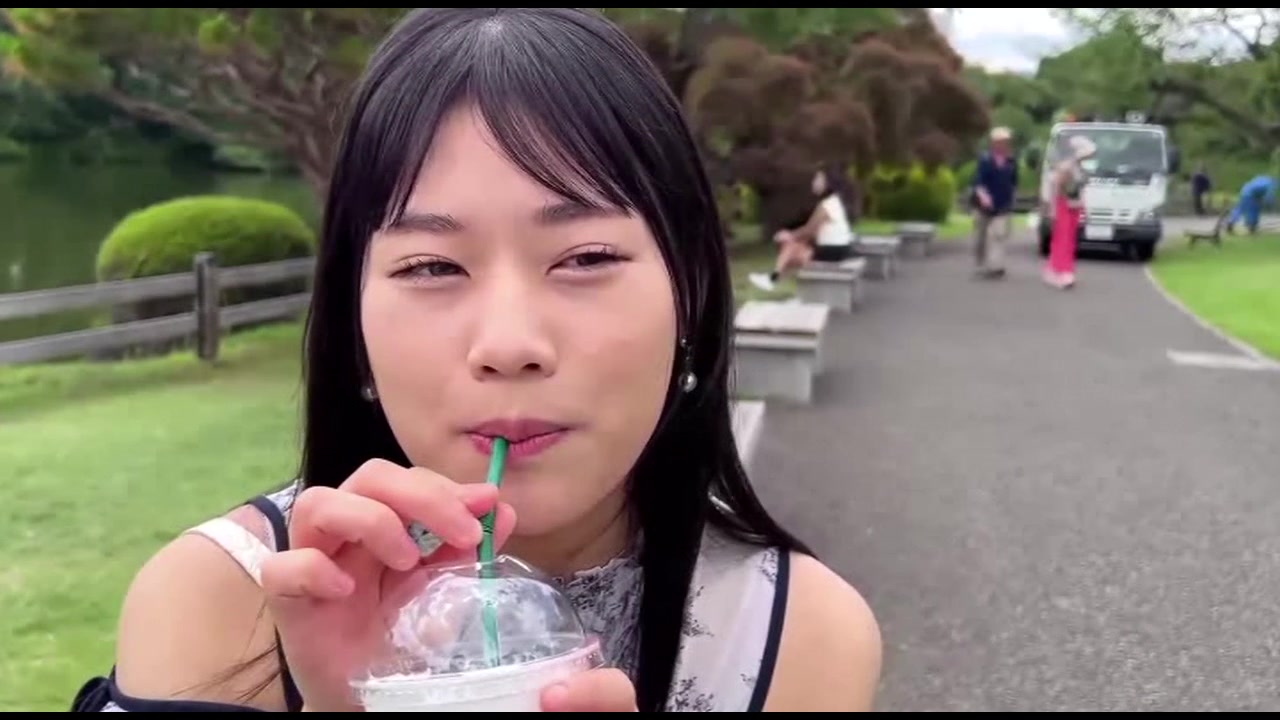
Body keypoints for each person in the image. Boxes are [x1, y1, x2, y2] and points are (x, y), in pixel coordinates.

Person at [70, 8, 881, 714]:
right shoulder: (228, 601)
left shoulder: (796, 636)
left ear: (691, 295)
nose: (508, 345)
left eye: (586, 257)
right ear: (355, 322)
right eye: (431, 267)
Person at [749, 164, 857, 293]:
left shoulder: (826, 205)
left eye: (818, 179)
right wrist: (795, 237)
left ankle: (772, 280)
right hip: (838, 249)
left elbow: (809, 230)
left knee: (790, 247)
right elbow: (812, 233)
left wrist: (788, 235)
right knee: (793, 249)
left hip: (834, 251)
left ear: (828, 183)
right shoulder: (832, 201)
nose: (814, 182)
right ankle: (773, 279)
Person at [1043, 134, 1096, 290]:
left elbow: (1081, 189)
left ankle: (1063, 269)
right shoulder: (1066, 166)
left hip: (1075, 206)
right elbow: (1057, 188)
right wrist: (1052, 209)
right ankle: (1060, 270)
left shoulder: (1079, 167)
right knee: (1062, 238)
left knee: (1070, 239)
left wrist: (1083, 207)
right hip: (1063, 205)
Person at [969, 126, 1019, 279]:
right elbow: (978, 182)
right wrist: (984, 197)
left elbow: (1014, 182)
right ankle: (981, 262)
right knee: (981, 238)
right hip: (983, 206)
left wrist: (1012, 198)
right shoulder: (985, 160)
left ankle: (996, 266)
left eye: (1006, 141)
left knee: (998, 235)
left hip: (1003, 206)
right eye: (1001, 141)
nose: (1004, 145)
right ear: (994, 143)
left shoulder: (1011, 161)